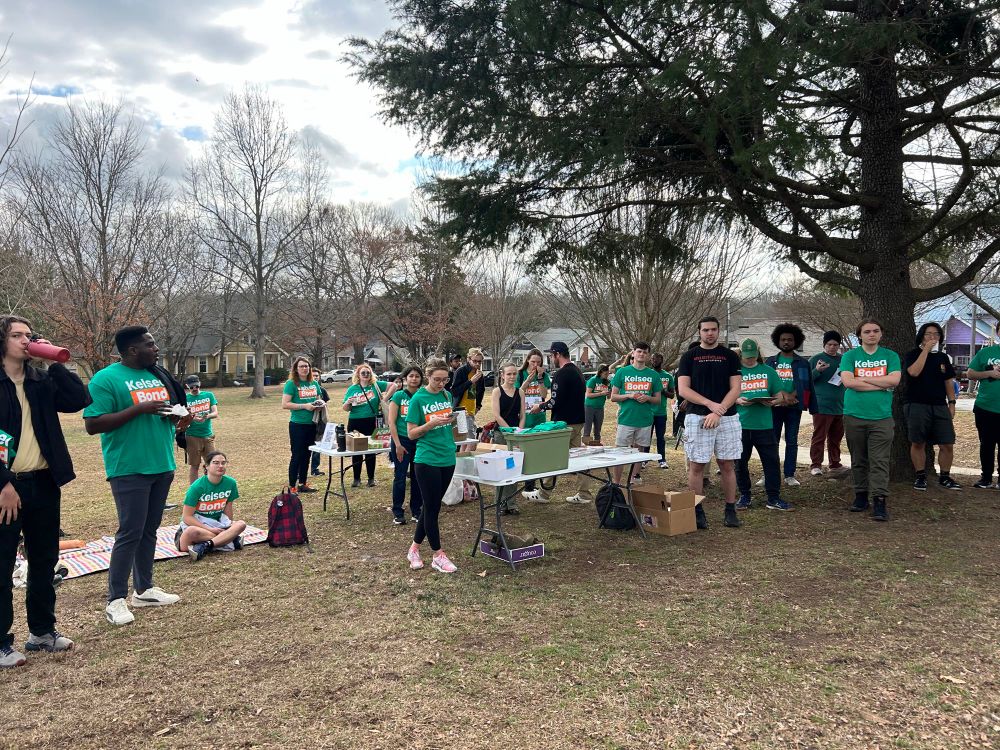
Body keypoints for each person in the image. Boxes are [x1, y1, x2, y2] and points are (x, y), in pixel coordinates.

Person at [84, 325, 191, 626]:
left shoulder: (157, 375)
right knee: (130, 531)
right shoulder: (105, 379)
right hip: (129, 466)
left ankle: (143, 589)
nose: (156, 349)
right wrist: (139, 408)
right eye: (150, 344)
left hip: (162, 462)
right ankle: (115, 600)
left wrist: (179, 421)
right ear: (132, 350)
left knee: (149, 530)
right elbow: (92, 424)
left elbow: (162, 416)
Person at [0, 316, 89, 667]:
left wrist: (55, 363)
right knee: (2, 564)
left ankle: (41, 632)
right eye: (17, 335)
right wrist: (4, 483)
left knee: (43, 560)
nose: (26, 340)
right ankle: (1, 642)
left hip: (43, 483)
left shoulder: (40, 380)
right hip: (7, 488)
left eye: (29, 335)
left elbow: (78, 398)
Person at [677, 316, 743, 530]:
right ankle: (697, 512)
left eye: (713, 329)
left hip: (727, 417)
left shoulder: (730, 356)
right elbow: (683, 389)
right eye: (705, 330)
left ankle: (730, 510)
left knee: (727, 464)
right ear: (699, 332)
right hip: (697, 417)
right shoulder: (689, 356)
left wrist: (719, 410)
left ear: (718, 331)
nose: (710, 333)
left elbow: (736, 388)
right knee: (696, 465)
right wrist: (709, 405)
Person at [840, 319, 901, 521]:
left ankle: (879, 501)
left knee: (879, 461)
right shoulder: (850, 356)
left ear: (881, 334)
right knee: (858, 459)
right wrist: (881, 384)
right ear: (860, 335)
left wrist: (863, 379)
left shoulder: (890, 356)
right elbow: (848, 382)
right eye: (867, 331)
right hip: (854, 415)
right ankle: (860, 496)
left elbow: (894, 380)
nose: (871, 334)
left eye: (875, 331)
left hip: (881, 417)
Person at [405, 358, 459, 574]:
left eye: (445, 379)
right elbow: (411, 433)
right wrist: (430, 424)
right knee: (432, 508)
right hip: (427, 458)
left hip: (448, 456)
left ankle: (414, 549)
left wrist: (451, 420)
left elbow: (446, 424)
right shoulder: (418, 399)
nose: (441, 384)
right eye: (437, 379)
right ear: (427, 377)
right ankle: (438, 555)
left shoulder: (446, 395)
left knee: (431, 506)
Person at [734, 338, 791, 511]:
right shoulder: (735, 372)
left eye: (753, 356)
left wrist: (773, 402)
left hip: (764, 426)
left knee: (771, 462)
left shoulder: (768, 371)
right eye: (747, 356)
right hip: (741, 425)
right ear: (741, 354)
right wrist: (738, 400)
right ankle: (745, 495)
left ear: (758, 353)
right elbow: (725, 395)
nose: (750, 359)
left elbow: (780, 396)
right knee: (740, 463)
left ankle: (773, 497)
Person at [903, 323, 961, 491]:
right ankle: (920, 476)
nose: (932, 337)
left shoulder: (943, 358)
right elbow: (913, 372)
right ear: (921, 336)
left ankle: (945, 476)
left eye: (936, 334)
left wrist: (952, 403)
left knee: (947, 443)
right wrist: (926, 351)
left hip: (939, 405)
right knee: (918, 442)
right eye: (928, 334)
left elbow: (948, 381)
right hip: (916, 404)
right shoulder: (912, 354)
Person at [764, 324, 816, 486]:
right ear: (777, 341)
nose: (786, 342)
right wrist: (781, 397)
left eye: (790, 340)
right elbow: (766, 383)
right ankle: (769, 474)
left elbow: (805, 385)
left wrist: (792, 396)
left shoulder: (802, 363)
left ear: (796, 341)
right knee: (772, 441)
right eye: (783, 339)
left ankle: (789, 475)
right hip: (774, 407)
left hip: (794, 406)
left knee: (792, 441)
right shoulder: (770, 362)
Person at [543, 341, 592, 504]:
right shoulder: (578, 371)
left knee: (552, 456)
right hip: (578, 421)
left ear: (557, 355)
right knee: (579, 457)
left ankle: (544, 493)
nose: (551, 359)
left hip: (563, 424)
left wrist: (540, 407)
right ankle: (584, 493)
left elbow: (554, 402)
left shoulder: (561, 374)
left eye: (551, 355)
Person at [175, 451, 247, 561]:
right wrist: (212, 530)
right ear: (207, 466)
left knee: (241, 524)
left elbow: (228, 509)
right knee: (191, 533)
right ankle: (229, 540)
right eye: (216, 463)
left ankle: (206, 545)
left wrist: (229, 526)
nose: (220, 466)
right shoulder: (197, 487)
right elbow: (186, 517)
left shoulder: (231, 483)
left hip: (218, 525)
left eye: (223, 463)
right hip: (198, 527)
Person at [609, 342, 662, 486]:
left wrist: (647, 398)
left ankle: (634, 478)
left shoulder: (653, 375)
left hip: (645, 419)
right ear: (633, 353)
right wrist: (629, 395)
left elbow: (658, 399)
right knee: (620, 451)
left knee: (639, 451)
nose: (641, 354)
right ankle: (616, 483)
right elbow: (613, 397)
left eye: (645, 352)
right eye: (639, 351)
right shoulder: (622, 372)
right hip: (626, 419)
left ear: (648, 355)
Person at [386, 366, 425, 525]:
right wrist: (397, 445)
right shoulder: (399, 396)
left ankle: (416, 510)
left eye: (417, 376)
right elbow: (391, 422)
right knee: (400, 476)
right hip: (401, 440)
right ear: (405, 378)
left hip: (419, 440)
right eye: (411, 376)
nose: (414, 379)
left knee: (418, 477)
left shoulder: (423, 395)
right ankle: (398, 511)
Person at [963, 323, 1000, 488]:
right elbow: (970, 373)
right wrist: (989, 373)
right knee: (986, 444)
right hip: (985, 407)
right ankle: (986, 478)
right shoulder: (986, 352)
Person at [341, 365, 390, 487]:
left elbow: (394, 385)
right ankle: (356, 479)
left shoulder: (376, 385)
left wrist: (384, 399)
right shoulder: (352, 389)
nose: (366, 375)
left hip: (371, 421)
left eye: (368, 373)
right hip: (355, 421)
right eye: (363, 373)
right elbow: (345, 408)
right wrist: (348, 402)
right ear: (358, 375)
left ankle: (371, 479)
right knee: (356, 450)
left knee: (371, 451)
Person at [281, 357, 322, 494]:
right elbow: (285, 404)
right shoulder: (291, 384)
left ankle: (303, 484)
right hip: (297, 425)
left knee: (307, 455)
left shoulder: (314, 383)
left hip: (312, 424)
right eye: (302, 366)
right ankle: (292, 487)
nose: (305, 368)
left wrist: (319, 404)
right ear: (296, 369)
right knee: (297, 456)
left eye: (307, 366)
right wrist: (304, 406)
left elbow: (318, 399)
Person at [809, 331, 846, 475]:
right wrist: (817, 371)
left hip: (840, 404)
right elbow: (805, 381)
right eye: (829, 344)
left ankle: (835, 463)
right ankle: (816, 465)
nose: (832, 347)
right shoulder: (815, 359)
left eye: (835, 344)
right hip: (821, 405)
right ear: (824, 344)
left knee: (836, 437)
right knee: (819, 436)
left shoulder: (843, 359)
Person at [516, 349, 551, 501]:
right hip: (524, 417)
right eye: (532, 362)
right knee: (525, 451)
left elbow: (543, 395)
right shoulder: (520, 374)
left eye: (538, 362)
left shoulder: (543, 375)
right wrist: (528, 380)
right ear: (527, 361)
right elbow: (517, 392)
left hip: (539, 416)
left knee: (538, 450)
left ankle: (532, 483)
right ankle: (526, 482)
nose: (535, 365)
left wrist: (540, 379)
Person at [491, 363, 525, 514]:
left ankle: (511, 503)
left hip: (516, 434)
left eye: (514, 374)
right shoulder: (497, 391)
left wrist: (519, 431)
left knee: (513, 468)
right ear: (503, 375)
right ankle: (500, 503)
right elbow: (496, 415)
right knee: (501, 468)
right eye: (509, 374)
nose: (512, 377)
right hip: (501, 434)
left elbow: (522, 415)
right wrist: (509, 431)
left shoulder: (520, 392)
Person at [183, 375, 218, 485]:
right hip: (192, 436)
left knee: (212, 463)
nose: (195, 389)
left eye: (196, 386)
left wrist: (207, 416)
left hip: (208, 435)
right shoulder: (185, 399)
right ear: (187, 386)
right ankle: (194, 489)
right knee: (195, 465)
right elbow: (182, 416)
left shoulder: (209, 395)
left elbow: (215, 413)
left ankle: (210, 486)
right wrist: (193, 418)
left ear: (200, 384)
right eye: (192, 387)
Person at [450, 347, 486, 445]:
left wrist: (478, 406)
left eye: (480, 362)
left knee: (465, 442)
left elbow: (481, 391)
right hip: (461, 410)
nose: (477, 364)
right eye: (475, 361)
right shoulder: (461, 371)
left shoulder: (479, 374)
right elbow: (454, 391)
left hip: (471, 410)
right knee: (471, 442)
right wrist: (470, 381)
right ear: (468, 359)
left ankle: (462, 454)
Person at [650, 352, 676, 469]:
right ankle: (644, 460)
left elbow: (672, 394)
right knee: (646, 438)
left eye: (656, 359)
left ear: (661, 360)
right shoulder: (648, 374)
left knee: (660, 437)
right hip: (648, 411)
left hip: (661, 412)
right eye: (652, 359)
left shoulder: (668, 376)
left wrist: (662, 391)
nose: (654, 361)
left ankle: (662, 460)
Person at [310, 367, 330, 477]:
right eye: (313, 375)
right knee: (305, 446)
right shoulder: (305, 390)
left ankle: (315, 469)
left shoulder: (322, 391)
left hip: (320, 421)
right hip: (308, 421)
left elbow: (325, 407)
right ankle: (300, 471)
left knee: (317, 445)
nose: (315, 377)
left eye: (317, 376)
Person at [583, 364, 611, 444]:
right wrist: (601, 393)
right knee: (587, 428)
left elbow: (608, 397)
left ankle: (597, 444)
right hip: (589, 407)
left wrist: (609, 393)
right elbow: (588, 395)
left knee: (598, 429)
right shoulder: (593, 380)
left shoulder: (607, 382)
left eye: (608, 373)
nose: (607, 375)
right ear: (600, 372)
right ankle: (586, 445)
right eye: (605, 374)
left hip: (600, 407)